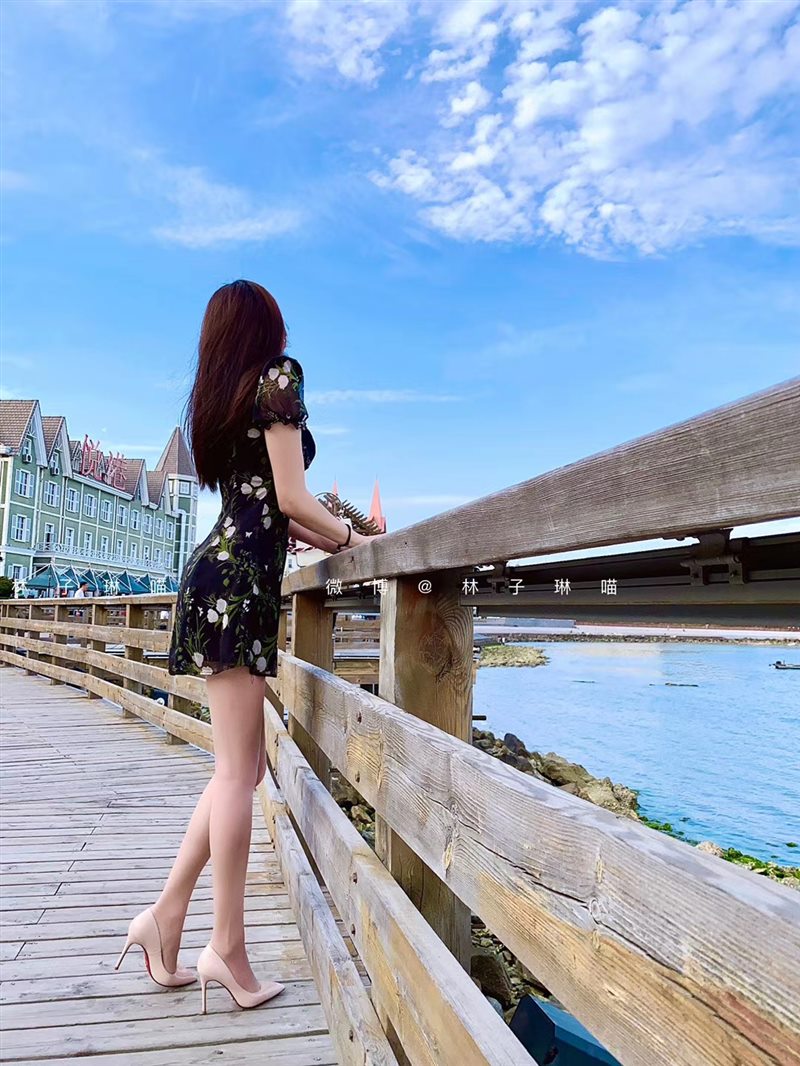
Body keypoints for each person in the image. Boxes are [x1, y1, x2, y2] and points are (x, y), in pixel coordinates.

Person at [113, 280, 383, 1013]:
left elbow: (267, 507)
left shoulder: (226, 395)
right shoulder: (279, 377)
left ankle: (166, 917)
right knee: (239, 773)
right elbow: (292, 498)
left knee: (241, 766)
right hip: (237, 585)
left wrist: (320, 535)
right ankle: (226, 949)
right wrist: (355, 540)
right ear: (266, 328)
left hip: (218, 575)